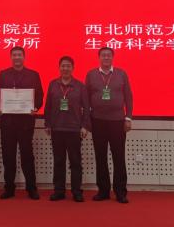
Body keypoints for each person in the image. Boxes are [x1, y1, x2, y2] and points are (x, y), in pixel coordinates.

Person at [0, 46, 44, 200]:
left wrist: (35, 108)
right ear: (11, 57)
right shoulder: (3, 74)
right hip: (7, 122)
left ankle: (31, 188)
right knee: (8, 156)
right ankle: (9, 188)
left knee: (27, 155)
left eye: (19, 55)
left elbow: (39, 96)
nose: (17, 57)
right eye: (14, 55)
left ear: (24, 57)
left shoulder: (33, 75)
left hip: (26, 122)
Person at [85, 47, 133, 204]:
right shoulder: (91, 75)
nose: (106, 58)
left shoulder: (121, 74)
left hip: (117, 121)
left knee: (119, 157)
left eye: (108, 55)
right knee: (100, 157)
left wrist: (128, 117)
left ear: (113, 57)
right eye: (103, 55)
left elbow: (128, 97)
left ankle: (120, 192)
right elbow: (86, 98)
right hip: (97, 120)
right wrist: (87, 120)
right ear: (99, 58)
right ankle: (103, 191)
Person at [45, 56, 91, 203]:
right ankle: (59, 191)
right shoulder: (53, 84)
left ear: (73, 68)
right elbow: (48, 106)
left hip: (74, 129)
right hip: (57, 128)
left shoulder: (80, 86)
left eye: (68, 66)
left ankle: (77, 192)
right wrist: (47, 124)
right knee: (58, 161)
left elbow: (87, 108)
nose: (65, 68)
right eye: (63, 66)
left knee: (75, 162)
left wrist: (85, 126)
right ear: (59, 68)